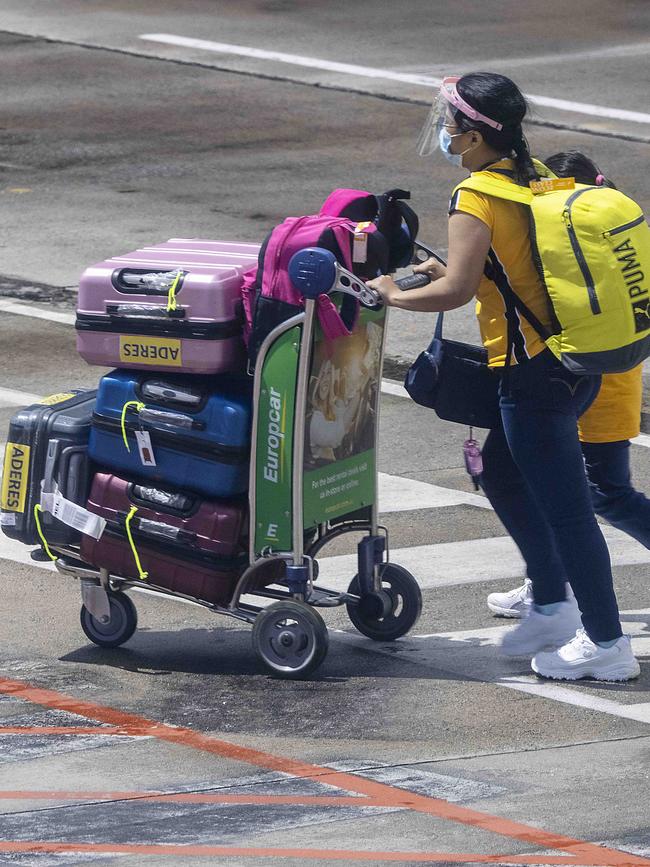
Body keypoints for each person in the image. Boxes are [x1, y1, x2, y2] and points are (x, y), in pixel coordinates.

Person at [367, 73, 640, 681]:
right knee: (504, 475)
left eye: (449, 122)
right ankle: (550, 603)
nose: (443, 131)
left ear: (471, 134)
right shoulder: (540, 174)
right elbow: (514, 265)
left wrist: (390, 293)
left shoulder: (475, 196)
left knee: (569, 512)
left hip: (532, 376)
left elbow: (457, 291)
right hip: (574, 363)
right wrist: (442, 267)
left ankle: (606, 645)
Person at [486, 151, 650, 619]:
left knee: (601, 491)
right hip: (610, 375)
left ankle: (551, 587)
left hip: (593, 380)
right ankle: (547, 581)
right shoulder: (612, 220)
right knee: (573, 488)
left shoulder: (574, 232)